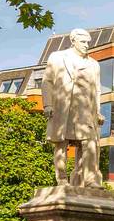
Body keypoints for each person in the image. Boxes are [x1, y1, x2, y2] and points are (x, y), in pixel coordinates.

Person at [43, 28, 104, 187]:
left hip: (85, 111)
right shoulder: (57, 57)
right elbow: (47, 82)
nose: (86, 45)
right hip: (63, 108)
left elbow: (97, 90)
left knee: (90, 143)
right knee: (61, 144)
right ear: (73, 41)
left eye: (88, 42)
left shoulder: (93, 64)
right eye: (83, 42)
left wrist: (98, 111)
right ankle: (62, 179)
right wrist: (48, 104)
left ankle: (90, 180)